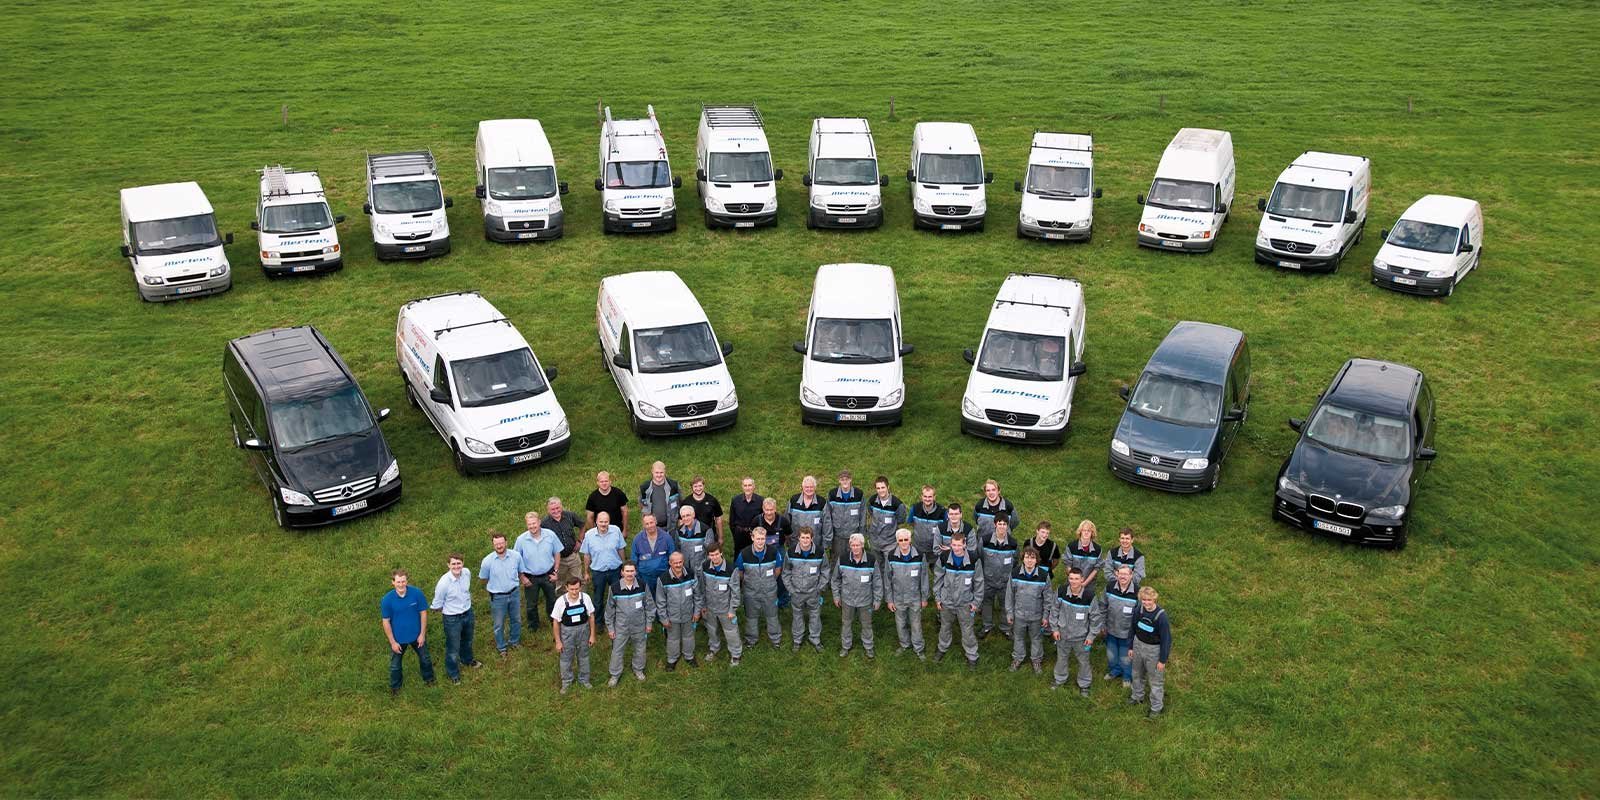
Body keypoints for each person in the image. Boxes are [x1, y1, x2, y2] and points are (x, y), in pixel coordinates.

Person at [932, 531, 984, 669]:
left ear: (964, 544)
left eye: (959, 545)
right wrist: (937, 598)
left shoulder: (974, 560)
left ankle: (972, 655)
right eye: (953, 545)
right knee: (945, 627)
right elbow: (938, 579)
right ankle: (942, 648)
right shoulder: (943, 558)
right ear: (950, 545)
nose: (956, 548)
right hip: (946, 602)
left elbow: (979, 583)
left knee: (967, 630)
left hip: (965, 603)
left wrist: (976, 602)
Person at [380, 569, 435, 694]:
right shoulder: (387, 600)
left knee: (425, 659)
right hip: (398, 639)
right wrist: (393, 642)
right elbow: (386, 622)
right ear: (393, 582)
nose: (401, 584)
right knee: (395, 665)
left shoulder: (417, 593)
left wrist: (422, 634)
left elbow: (423, 613)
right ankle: (395, 687)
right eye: (398, 582)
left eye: (403, 581)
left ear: (407, 581)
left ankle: (429, 680)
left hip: (417, 636)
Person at [1051, 567, 1104, 695]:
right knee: (1061, 659)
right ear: (1068, 579)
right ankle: (1059, 679)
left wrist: (1091, 636)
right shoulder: (1061, 591)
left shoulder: (1089, 596)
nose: (1073, 581)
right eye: (1071, 578)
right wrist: (1055, 629)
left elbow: (1095, 619)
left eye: (1076, 579)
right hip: (1062, 635)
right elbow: (1054, 611)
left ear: (1082, 580)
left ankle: (1084, 684)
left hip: (1081, 638)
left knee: (1083, 662)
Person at [431, 554, 480, 684]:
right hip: (452, 619)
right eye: (453, 564)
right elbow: (437, 604)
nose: (456, 566)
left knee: (468, 641)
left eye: (459, 563)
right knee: (453, 648)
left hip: (468, 613)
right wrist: (451, 611)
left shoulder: (467, 573)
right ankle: (453, 673)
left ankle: (467, 660)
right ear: (448, 565)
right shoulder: (443, 583)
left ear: (463, 563)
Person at [832, 533, 881, 658]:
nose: (855, 548)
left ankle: (868, 647)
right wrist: (836, 596)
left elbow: (877, 581)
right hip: (847, 600)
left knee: (866, 625)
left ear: (862, 546)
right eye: (852, 545)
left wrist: (877, 599)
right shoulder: (842, 559)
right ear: (850, 546)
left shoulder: (871, 560)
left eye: (857, 545)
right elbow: (835, 579)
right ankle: (845, 646)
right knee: (846, 624)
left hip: (866, 601)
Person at [883, 528, 929, 659]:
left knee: (916, 624)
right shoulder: (891, 556)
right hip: (898, 598)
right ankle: (904, 645)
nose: (903, 543)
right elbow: (887, 579)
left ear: (910, 540)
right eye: (901, 540)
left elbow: (924, 578)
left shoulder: (920, 556)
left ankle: (918, 648)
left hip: (915, 598)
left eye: (906, 539)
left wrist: (924, 598)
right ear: (897, 541)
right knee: (900, 623)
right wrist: (889, 600)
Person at [477, 532, 525, 656]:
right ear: (493, 545)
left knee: (516, 619)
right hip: (498, 597)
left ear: (506, 543)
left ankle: (514, 641)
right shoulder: (487, 561)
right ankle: (501, 647)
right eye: (496, 544)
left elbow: (520, 572)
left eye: (501, 543)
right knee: (499, 624)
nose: (499, 546)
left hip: (514, 593)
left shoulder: (516, 556)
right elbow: (483, 579)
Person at [1006, 546, 1052, 673]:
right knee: (1018, 638)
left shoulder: (1043, 576)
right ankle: (1018, 658)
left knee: (1036, 639)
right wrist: (1010, 612)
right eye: (1027, 557)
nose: (1029, 560)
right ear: (1023, 559)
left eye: (1032, 558)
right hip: (1019, 615)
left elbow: (1048, 599)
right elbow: (1009, 595)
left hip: (1036, 616)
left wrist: (1045, 616)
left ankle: (1036, 660)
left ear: (1036, 560)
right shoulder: (1015, 573)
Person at [605, 564, 654, 686]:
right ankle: (615, 674)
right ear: (622, 573)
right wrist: (610, 628)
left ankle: (638, 669)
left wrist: (649, 623)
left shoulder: (642, 585)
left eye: (632, 571)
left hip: (639, 626)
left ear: (636, 572)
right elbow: (609, 610)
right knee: (617, 650)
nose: (630, 574)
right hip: (621, 627)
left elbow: (649, 605)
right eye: (627, 571)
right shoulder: (614, 588)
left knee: (640, 648)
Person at [735, 527, 783, 648]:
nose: (760, 541)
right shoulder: (744, 554)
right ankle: (751, 639)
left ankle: (775, 639)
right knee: (751, 617)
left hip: (770, 591)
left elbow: (778, 569)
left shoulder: (773, 552)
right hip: (751, 593)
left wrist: (770, 581)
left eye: (763, 539)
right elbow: (740, 573)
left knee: (772, 616)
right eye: (758, 539)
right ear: (752, 538)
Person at [783, 527, 830, 652]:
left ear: (812, 538)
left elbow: (825, 571)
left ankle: (815, 639)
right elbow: (786, 572)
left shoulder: (820, 552)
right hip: (796, 592)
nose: (805, 540)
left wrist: (819, 588)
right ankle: (797, 640)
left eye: (807, 537)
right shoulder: (791, 552)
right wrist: (791, 589)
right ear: (798, 538)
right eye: (802, 537)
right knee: (797, 616)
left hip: (813, 592)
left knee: (815, 615)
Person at [1128, 586, 1172, 718]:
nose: (1146, 603)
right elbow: (1132, 629)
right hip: (1138, 645)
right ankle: (1137, 696)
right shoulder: (1138, 610)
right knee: (1136, 673)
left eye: (1149, 600)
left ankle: (1156, 707)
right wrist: (1131, 647)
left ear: (1154, 599)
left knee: (1155, 680)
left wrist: (1162, 660)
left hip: (1154, 650)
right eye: (1144, 600)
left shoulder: (1161, 616)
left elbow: (1166, 640)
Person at [580, 511, 627, 633]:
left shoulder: (616, 530)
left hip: (615, 570)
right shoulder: (589, 535)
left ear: (609, 522)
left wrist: (623, 566)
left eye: (606, 521)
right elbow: (586, 555)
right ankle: (599, 623)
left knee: (617, 596)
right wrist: (586, 572)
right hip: (598, 572)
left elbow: (621, 549)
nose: (603, 524)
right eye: (601, 521)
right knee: (598, 598)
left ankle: (617, 620)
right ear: (596, 521)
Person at [513, 512, 562, 630]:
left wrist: (556, 571)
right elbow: (516, 560)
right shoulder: (521, 540)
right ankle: (533, 626)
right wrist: (522, 577)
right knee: (531, 604)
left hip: (548, 575)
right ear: (526, 525)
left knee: (552, 600)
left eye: (534, 523)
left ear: (539, 522)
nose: (532, 526)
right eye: (529, 524)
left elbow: (557, 553)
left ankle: (553, 622)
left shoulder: (550, 535)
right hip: (530, 577)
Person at [697, 546, 742, 666]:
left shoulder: (731, 569)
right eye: (711, 555)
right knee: (711, 630)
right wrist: (703, 605)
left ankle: (736, 654)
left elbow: (736, 592)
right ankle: (714, 648)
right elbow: (702, 587)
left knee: (731, 632)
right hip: (710, 608)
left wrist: (732, 609)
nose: (714, 557)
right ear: (708, 556)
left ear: (721, 553)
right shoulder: (705, 566)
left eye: (716, 554)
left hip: (726, 609)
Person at [655, 552, 699, 670]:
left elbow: (697, 595)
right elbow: (660, 602)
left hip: (688, 614)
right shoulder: (663, 579)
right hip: (672, 617)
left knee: (688, 636)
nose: (678, 565)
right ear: (670, 563)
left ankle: (689, 656)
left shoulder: (690, 574)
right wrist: (663, 618)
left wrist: (696, 612)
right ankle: (672, 659)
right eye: (675, 563)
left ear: (683, 561)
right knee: (673, 638)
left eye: (680, 562)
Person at [551, 577, 596, 693]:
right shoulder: (560, 602)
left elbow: (591, 616)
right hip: (567, 633)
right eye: (572, 589)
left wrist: (592, 635)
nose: (575, 592)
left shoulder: (585, 598)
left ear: (580, 587)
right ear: (566, 588)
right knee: (566, 659)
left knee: (584, 656)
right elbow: (556, 622)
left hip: (583, 631)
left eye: (577, 589)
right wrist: (558, 641)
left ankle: (584, 680)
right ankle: (567, 682)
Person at [978, 517, 1019, 639]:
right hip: (988, 581)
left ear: (1007, 526)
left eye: (1004, 524)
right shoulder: (985, 541)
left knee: (1005, 605)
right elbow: (980, 557)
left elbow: (1015, 560)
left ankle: (1005, 628)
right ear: (995, 524)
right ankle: (986, 626)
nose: (1002, 526)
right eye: (999, 523)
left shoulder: (1013, 543)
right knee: (986, 603)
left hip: (1005, 582)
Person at [1103, 564, 1141, 686]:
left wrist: (1136, 633)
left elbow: (1140, 615)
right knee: (1111, 655)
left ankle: (1126, 676)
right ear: (1116, 574)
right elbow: (1102, 606)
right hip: (1110, 629)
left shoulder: (1137, 592)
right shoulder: (1109, 587)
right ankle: (1115, 670)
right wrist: (1102, 625)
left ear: (1131, 576)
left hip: (1127, 633)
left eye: (1126, 574)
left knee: (1126, 656)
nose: (1123, 576)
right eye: (1121, 573)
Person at [754, 498, 794, 608]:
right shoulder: (757, 521)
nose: (769, 512)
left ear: (775, 509)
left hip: (779, 549)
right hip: (762, 550)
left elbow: (788, 535)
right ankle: (762, 600)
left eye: (771, 510)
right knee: (761, 573)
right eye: (766, 510)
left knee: (781, 573)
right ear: (763, 509)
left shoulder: (783, 521)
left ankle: (783, 599)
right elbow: (752, 536)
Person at [822, 470, 866, 562]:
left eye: (847, 479)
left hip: (854, 536)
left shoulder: (859, 494)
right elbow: (827, 517)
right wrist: (829, 537)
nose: (845, 481)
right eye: (842, 479)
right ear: (839, 481)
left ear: (851, 480)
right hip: (837, 537)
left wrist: (861, 535)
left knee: (854, 561)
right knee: (836, 561)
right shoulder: (832, 494)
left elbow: (863, 516)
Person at [542, 497, 586, 589]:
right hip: (558, 560)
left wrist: (580, 541)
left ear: (561, 507)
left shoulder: (570, 516)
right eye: (552, 509)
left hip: (573, 555)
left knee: (578, 580)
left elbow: (582, 525)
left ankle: (582, 601)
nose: (556, 511)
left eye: (558, 508)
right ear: (548, 510)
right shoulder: (544, 524)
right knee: (559, 584)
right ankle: (561, 602)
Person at [631, 514, 677, 594]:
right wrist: (637, 577)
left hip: (663, 576)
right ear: (643, 525)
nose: (649, 526)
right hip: (645, 577)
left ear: (655, 522)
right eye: (647, 524)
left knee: (663, 598)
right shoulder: (637, 539)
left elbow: (672, 557)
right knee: (649, 600)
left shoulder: (666, 537)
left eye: (651, 522)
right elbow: (634, 559)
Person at [867, 476, 910, 558]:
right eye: (878, 488)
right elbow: (870, 512)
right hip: (874, 541)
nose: (881, 490)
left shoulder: (897, 504)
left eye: (883, 487)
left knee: (889, 567)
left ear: (888, 487)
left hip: (890, 543)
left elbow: (901, 520)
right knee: (877, 566)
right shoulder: (872, 501)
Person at [638, 461, 682, 534]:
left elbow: (681, 502)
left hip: (671, 527)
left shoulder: (674, 486)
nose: (659, 475)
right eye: (656, 473)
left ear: (665, 472)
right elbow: (641, 505)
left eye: (661, 472)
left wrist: (680, 519)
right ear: (652, 472)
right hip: (652, 528)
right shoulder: (645, 487)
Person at [908, 484, 946, 566]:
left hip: (935, 550)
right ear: (921, 496)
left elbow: (946, 529)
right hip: (918, 549)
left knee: (937, 574)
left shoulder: (942, 512)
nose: (927, 499)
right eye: (925, 496)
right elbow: (910, 523)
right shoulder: (915, 509)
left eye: (930, 497)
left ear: (934, 497)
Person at [787, 476, 827, 552]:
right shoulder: (793, 500)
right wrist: (788, 540)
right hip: (795, 542)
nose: (809, 489)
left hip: (815, 543)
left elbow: (827, 524)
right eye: (806, 487)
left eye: (811, 487)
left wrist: (825, 543)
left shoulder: (822, 502)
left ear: (815, 487)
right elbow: (787, 521)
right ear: (802, 487)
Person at [672, 505, 717, 572]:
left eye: (688, 515)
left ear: (693, 515)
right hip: (685, 571)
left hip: (701, 570)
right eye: (683, 516)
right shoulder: (679, 531)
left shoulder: (705, 530)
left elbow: (710, 551)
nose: (686, 518)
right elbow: (677, 550)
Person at [728, 477, 765, 555]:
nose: (747, 488)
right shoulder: (735, 500)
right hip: (739, 534)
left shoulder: (760, 500)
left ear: (754, 486)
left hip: (755, 534)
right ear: (742, 487)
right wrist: (735, 532)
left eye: (750, 485)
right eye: (745, 485)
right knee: (739, 555)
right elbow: (732, 519)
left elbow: (763, 518)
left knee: (753, 554)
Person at [683, 476, 725, 544]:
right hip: (693, 537)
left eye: (700, 486)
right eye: (695, 486)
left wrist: (720, 537)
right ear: (692, 487)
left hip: (709, 534)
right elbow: (681, 521)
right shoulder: (686, 502)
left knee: (710, 554)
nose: (698, 488)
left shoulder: (712, 500)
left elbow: (718, 519)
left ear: (704, 486)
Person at [1065, 520, 1106, 585]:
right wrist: (1075, 580)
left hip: (1088, 584)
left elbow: (1096, 569)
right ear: (1080, 532)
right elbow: (1068, 565)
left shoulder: (1097, 549)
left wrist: (1084, 584)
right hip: (1072, 583)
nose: (1086, 533)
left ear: (1092, 533)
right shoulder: (1071, 546)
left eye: (1089, 531)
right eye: (1084, 530)